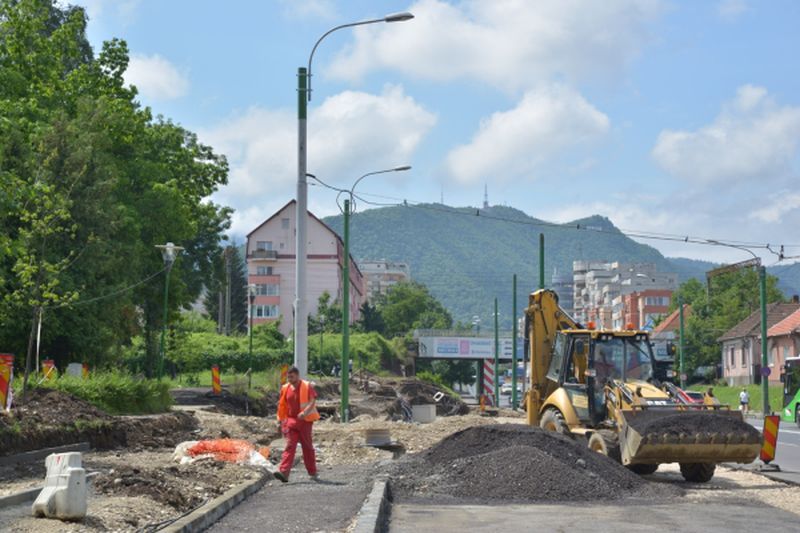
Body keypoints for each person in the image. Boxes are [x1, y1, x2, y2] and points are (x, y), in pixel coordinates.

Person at [274, 367, 320, 482]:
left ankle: (312, 471)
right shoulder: (285, 388)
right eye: (288, 377)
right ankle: (284, 472)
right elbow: (282, 405)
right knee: (290, 446)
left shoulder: (306, 385)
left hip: (305, 422)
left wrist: (305, 412)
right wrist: (281, 420)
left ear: (297, 376)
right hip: (291, 421)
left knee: (307, 447)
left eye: (292, 377)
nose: (289, 379)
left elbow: (312, 401)